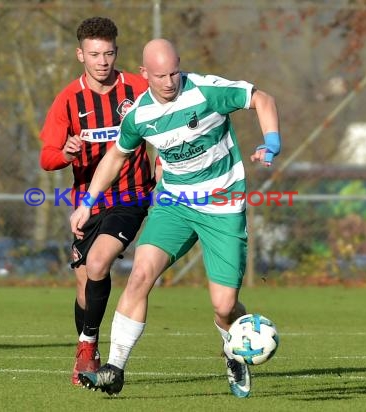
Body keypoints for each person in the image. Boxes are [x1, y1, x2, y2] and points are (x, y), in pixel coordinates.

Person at [70, 38, 281, 398]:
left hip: (222, 205)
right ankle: (115, 369)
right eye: (160, 76)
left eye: (174, 72)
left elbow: (262, 99)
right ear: (144, 74)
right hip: (174, 204)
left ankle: (234, 349)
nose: (169, 82)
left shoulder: (207, 91)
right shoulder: (139, 115)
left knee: (224, 306)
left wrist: (271, 142)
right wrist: (88, 201)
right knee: (139, 274)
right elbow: (116, 157)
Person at [39, 17, 155, 386]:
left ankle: (87, 348)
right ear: (80, 55)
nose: (102, 61)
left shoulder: (138, 88)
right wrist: (66, 153)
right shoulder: (68, 100)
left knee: (98, 262)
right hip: (86, 203)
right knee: (83, 281)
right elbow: (46, 157)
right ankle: (86, 346)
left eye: (108, 53)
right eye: (94, 54)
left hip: (131, 197)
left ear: (116, 52)